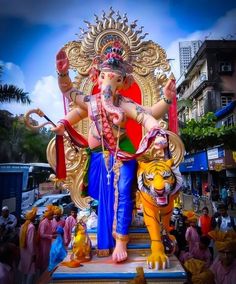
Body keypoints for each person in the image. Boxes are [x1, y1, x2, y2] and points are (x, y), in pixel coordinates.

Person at [52, 41, 176, 263]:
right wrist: (62, 74)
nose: (108, 83)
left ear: (122, 82)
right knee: (102, 196)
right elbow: (69, 93)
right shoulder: (90, 102)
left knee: (122, 193)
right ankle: (105, 231)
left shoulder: (125, 103)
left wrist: (159, 123)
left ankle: (121, 240)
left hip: (122, 155)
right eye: (105, 77)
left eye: (115, 79)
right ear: (97, 77)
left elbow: (147, 115)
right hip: (99, 156)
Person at [18, 207, 38, 284]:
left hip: (23, 252)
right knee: (30, 273)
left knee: (24, 272)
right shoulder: (31, 227)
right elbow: (30, 243)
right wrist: (33, 255)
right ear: (32, 218)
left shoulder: (23, 226)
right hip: (30, 253)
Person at [37, 205, 55, 273]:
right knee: (44, 259)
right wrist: (51, 236)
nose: (53, 217)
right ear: (49, 216)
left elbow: (49, 231)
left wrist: (53, 233)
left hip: (47, 243)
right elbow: (42, 234)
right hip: (44, 244)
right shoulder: (44, 223)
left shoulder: (49, 222)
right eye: (52, 215)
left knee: (47, 258)